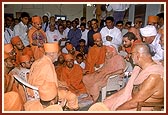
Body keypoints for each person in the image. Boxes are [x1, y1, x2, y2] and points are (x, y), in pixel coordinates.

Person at [100, 43, 164, 111]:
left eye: (131, 54)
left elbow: (135, 103)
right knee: (102, 104)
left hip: (142, 107)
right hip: (131, 99)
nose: (130, 56)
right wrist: (111, 97)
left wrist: (117, 109)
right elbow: (128, 89)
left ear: (138, 55)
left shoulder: (153, 77)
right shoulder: (139, 68)